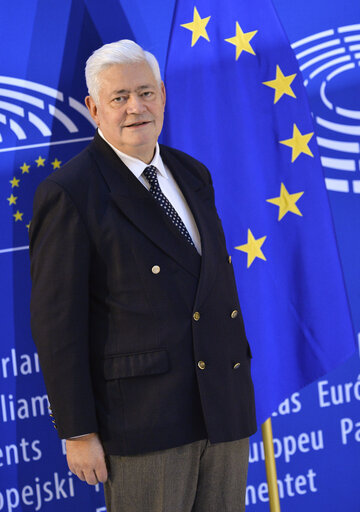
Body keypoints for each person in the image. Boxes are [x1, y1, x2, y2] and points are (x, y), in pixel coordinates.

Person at [29, 39, 257, 512]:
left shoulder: (193, 174)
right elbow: (58, 328)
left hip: (223, 408)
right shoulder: (70, 193)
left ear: (163, 96)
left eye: (146, 93)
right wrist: (78, 430)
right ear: (94, 108)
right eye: (119, 98)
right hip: (144, 423)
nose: (136, 108)